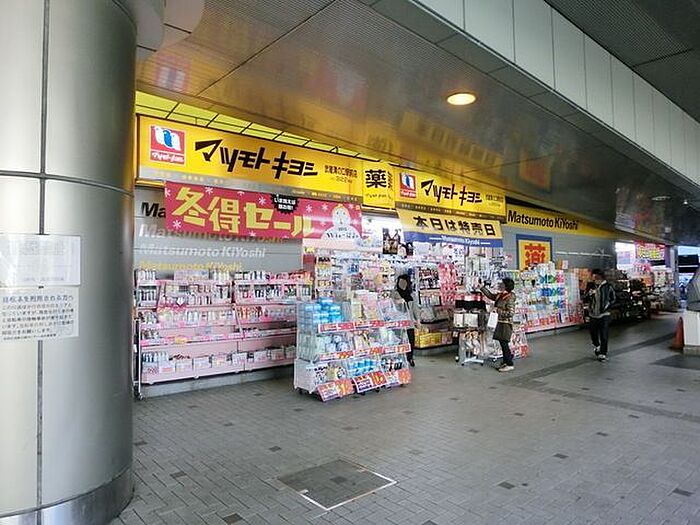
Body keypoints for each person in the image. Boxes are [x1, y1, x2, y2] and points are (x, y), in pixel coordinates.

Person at [481, 278, 517, 372]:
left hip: (505, 323)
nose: (499, 285)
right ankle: (505, 361)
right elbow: (491, 296)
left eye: (502, 284)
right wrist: (482, 288)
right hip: (500, 322)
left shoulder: (509, 298)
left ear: (505, 286)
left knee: (504, 343)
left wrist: (498, 310)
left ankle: (509, 363)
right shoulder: (501, 295)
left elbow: (510, 313)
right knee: (502, 342)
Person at [587, 269, 616, 362]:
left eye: (596, 277)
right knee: (593, 333)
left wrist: (607, 306)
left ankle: (603, 353)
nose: (594, 279)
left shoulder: (608, 286)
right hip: (593, 314)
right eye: (593, 277)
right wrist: (589, 294)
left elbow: (613, 298)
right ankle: (597, 345)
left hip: (604, 314)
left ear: (601, 276)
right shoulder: (591, 286)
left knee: (603, 334)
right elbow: (585, 297)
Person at [395, 273, 417, 367]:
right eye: (400, 282)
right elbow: (391, 306)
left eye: (404, 282)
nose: (402, 284)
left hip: (409, 322)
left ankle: (410, 358)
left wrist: (418, 320)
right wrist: (397, 302)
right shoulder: (395, 293)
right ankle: (399, 359)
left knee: (411, 340)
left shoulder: (412, 294)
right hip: (398, 322)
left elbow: (415, 308)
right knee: (399, 341)